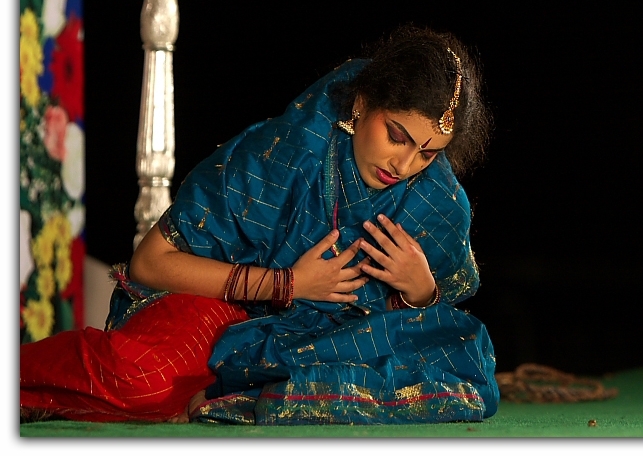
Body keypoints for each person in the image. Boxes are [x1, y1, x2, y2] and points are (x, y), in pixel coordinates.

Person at [20, 25, 499, 425]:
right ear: (362, 103)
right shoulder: (288, 151)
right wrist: (287, 283)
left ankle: (240, 394)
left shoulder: (436, 199)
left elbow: (437, 322)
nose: (406, 162)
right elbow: (149, 264)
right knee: (142, 379)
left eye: (429, 152)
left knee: (463, 363)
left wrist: (421, 292)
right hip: (224, 309)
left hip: (325, 340)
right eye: (398, 135)